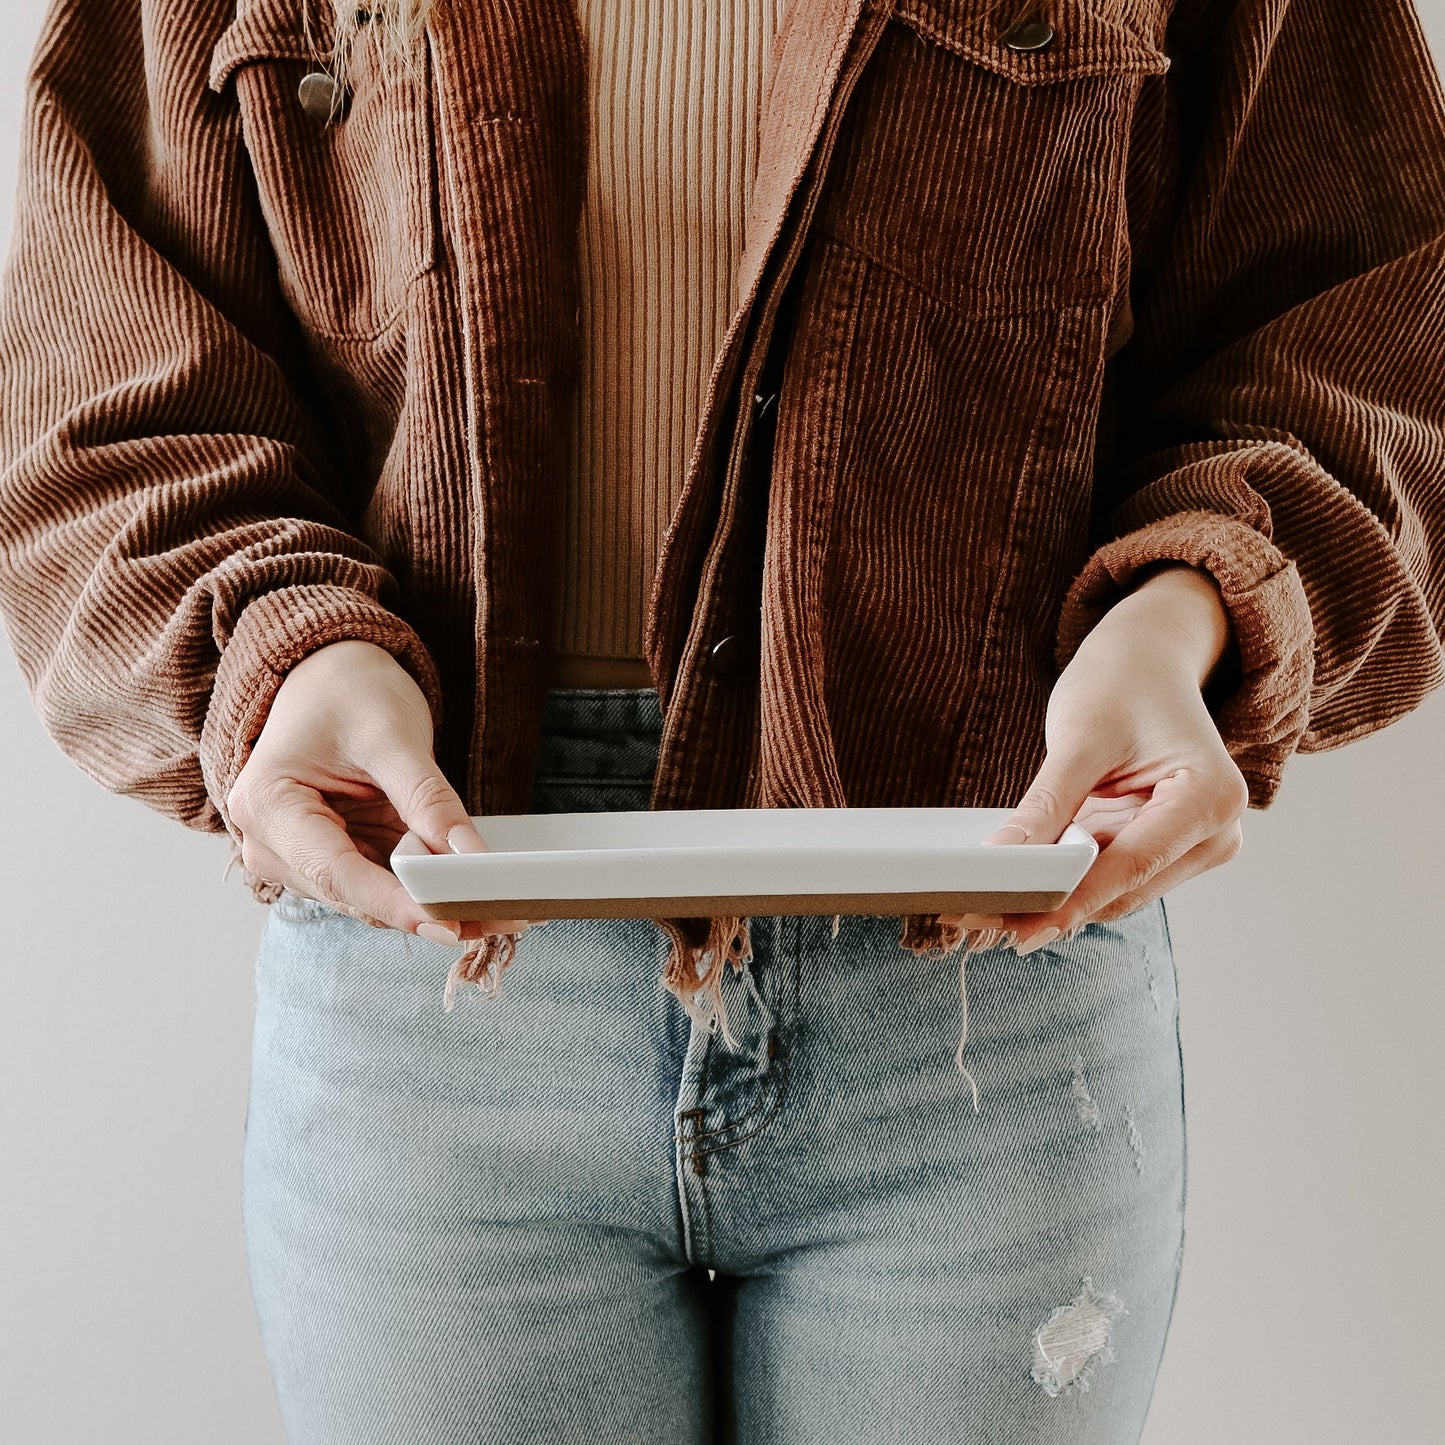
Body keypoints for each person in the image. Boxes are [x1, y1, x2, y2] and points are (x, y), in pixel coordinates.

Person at [1, 0, 1442, 1440]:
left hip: (986, 928)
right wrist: (288, 653)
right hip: (432, 941)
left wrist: (1180, 613)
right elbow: (101, 381)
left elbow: (1378, 328)